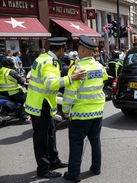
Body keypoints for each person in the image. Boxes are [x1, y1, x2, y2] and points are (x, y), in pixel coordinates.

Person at [24, 37, 86, 179]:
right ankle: (43, 168)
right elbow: (50, 84)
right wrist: (72, 78)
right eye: (65, 49)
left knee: (50, 134)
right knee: (41, 139)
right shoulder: (48, 63)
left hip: (44, 103)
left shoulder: (44, 57)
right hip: (40, 105)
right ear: (62, 49)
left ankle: (54, 161)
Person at [62, 35, 108, 182]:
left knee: (76, 144)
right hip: (97, 112)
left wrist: (65, 110)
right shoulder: (99, 66)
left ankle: (74, 174)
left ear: (81, 49)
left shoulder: (77, 68)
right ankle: (96, 168)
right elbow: (104, 78)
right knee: (95, 141)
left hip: (80, 114)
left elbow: (69, 92)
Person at [0, 56, 30, 125]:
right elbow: (21, 80)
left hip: (2, 92)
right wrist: (27, 82)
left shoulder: (1, 70)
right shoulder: (10, 72)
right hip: (12, 92)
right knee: (25, 100)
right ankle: (23, 118)